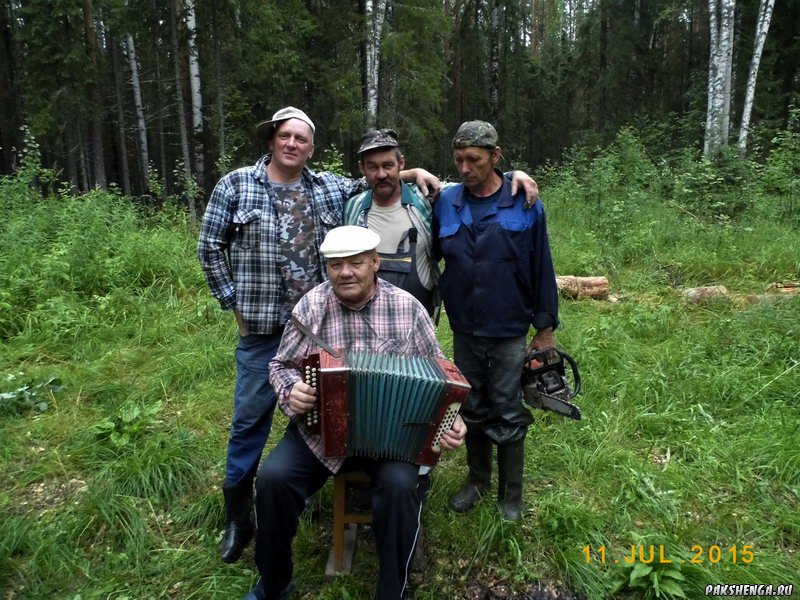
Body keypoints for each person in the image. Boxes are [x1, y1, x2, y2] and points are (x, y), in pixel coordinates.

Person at [197, 107, 442, 564]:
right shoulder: (235, 184)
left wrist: (412, 170)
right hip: (265, 328)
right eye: (285, 136)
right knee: (249, 423)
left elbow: (378, 178)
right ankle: (240, 516)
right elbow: (208, 246)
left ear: (310, 148)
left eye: (302, 139)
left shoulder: (327, 186)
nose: (292, 144)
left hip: (327, 326)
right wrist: (233, 304)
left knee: (329, 405)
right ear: (271, 139)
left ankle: (322, 484)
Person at [243, 226, 467, 600]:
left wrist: (452, 419)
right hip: (319, 433)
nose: (345, 272)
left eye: (356, 263)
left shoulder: (407, 308)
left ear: (375, 263)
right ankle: (274, 582)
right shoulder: (312, 306)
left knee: (400, 487)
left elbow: (442, 375)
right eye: (336, 265)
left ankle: (394, 589)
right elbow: (280, 364)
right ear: (327, 268)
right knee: (272, 481)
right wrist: (290, 390)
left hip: (393, 439)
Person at [433, 120, 559, 521]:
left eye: (474, 160)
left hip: (509, 328)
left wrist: (545, 329)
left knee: (506, 406)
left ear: (495, 157)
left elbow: (541, 266)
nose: (465, 168)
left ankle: (511, 493)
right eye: (458, 160)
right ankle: (477, 480)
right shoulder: (446, 202)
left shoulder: (523, 201)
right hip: (465, 328)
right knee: (469, 404)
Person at [343, 129, 542, 318]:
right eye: (372, 167)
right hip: (363, 320)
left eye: (388, 165)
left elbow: (480, 185)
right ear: (362, 169)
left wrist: (514, 175)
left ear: (401, 164)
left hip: (417, 320)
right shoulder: (352, 208)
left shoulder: (429, 197)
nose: (381, 174)